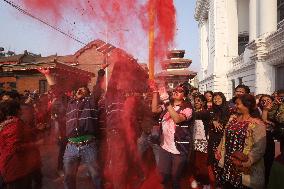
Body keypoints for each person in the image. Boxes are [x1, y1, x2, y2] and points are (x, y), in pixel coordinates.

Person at [38, 65, 107, 189]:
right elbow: (56, 91)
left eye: (83, 89)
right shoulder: (69, 103)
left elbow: (97, 88)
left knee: (96, 176)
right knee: (68, 178)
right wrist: (47, 75)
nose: (80, 91)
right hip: (71, 147)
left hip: (89, 146)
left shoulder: (90, 102)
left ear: (88, 93)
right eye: (78, 90)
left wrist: (101, 72)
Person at [215, 94, 266, 189]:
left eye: (238, 104)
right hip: (229, 163)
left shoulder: (257, 124)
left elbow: (259, 148)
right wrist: (219, 149)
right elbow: (224, 137)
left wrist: (247, 162)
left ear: (247, 106)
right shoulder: (233, 120)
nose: (235, 106)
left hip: (244, 165)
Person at [152, 83, 194, 189]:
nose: (176, 91)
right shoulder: (168, 106)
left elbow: (177, 119)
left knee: (176, 178)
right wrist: (155, 92)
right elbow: (154, 110)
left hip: (179, 149)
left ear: (184, 96)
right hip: (165, 147)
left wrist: (166, 102)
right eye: (175, 90)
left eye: (180, 91)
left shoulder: (188, 109)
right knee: (165, 176)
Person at [0, 100, 41, 189]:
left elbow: (21, 135)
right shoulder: (15, 123)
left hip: (11, 169)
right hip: (16, 170)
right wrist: (35, 144)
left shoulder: (7, 123)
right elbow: (15, 147)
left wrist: (36, 129)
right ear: (17, 111)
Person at [207, 92, 230, 189]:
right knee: (215, 160)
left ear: (223, 99)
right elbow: (207, 119)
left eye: (219, 98)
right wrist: (213, 120)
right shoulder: (211, 110)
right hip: (214, 139)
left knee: (224, 160)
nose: (217, 100)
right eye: (215, 99)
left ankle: (226, 181)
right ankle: (219, 181)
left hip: (225, 139)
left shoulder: (229, 109)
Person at [188, 94, 210, 189]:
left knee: (202, 163)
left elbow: (195, 115)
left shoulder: (205, 112)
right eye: (195, 101)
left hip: (202, 141)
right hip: (193, 141)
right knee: (195, 163)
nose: (196, 102)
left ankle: (206, 183)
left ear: (204, 103)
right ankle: (199, 180)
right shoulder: (194, 112)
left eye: (198, 100)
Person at [258, 94, 275, 187]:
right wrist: (265, 110)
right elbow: (263, 123)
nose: (265, 102)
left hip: (269, 140)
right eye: (263, 100)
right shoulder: (258, 111)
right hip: (260, 140)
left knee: (269, 164)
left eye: (268, 100)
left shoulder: (277, 110)